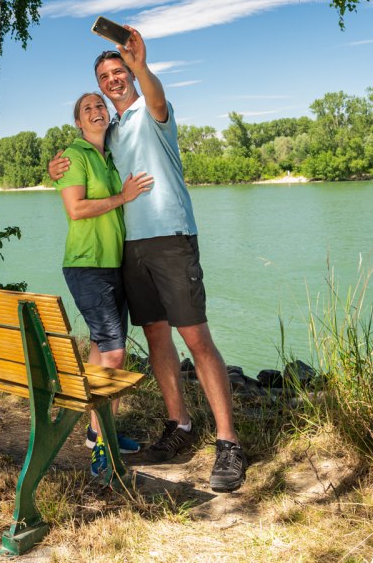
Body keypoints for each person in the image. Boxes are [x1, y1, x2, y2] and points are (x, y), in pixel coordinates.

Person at [48, 25, 247, 493]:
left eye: (118, 71)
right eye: (105, 75)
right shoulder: (109, 131)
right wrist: (56, 166)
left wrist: (141, 62)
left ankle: (228, 443)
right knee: (157, 337)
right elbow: (82, 168)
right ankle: (179, 427)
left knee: (196, 337)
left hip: (171, 238)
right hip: (129, 249)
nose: (113, 80)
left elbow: (153, 92)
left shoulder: (152, 109)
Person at [55, 91, 153, 476]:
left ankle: (99, 433)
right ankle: (101, 446)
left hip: (114, 265)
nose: (96, 111)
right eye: (87, 109)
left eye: (100, 106)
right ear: (78, 122)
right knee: (114, 353)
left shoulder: (109, 156)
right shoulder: (73, 156)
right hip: (87, 266)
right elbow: (76, 209)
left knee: (101, 347)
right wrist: (121, 196)